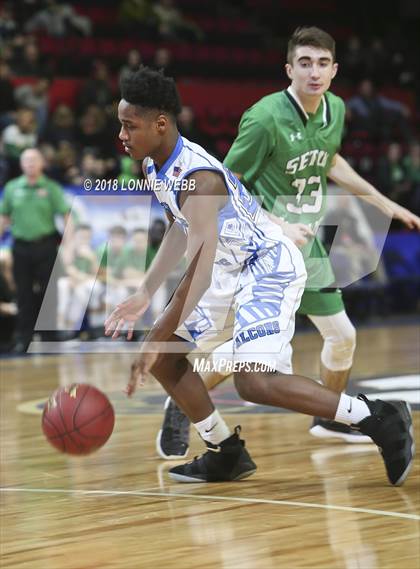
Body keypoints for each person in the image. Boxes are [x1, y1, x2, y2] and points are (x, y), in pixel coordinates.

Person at [104, 66, 414, 487]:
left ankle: (378, 416)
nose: (121, 135)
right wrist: (145, 292)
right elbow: (181, 228)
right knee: (166, 358)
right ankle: (224, 452)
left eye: (129, 125)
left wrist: (158, 330)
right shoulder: (155, 166)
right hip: (226, 267)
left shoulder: (201, 180)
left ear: (160, 124)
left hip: (265, 263)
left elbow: (200, 264)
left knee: (254, 380)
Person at [0, 148, 72, 352]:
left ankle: (50, 336)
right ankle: (24, 337)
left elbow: (67, 218)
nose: (30, 163)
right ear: (21, 164)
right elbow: (3, 219)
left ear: (42, 163)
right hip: (21, 247)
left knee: (49, 292)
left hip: (46, 245)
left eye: (34, 160)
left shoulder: (51, 188)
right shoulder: (13, 188)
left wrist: (69, 246)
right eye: (26, 160)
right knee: (23, 293)